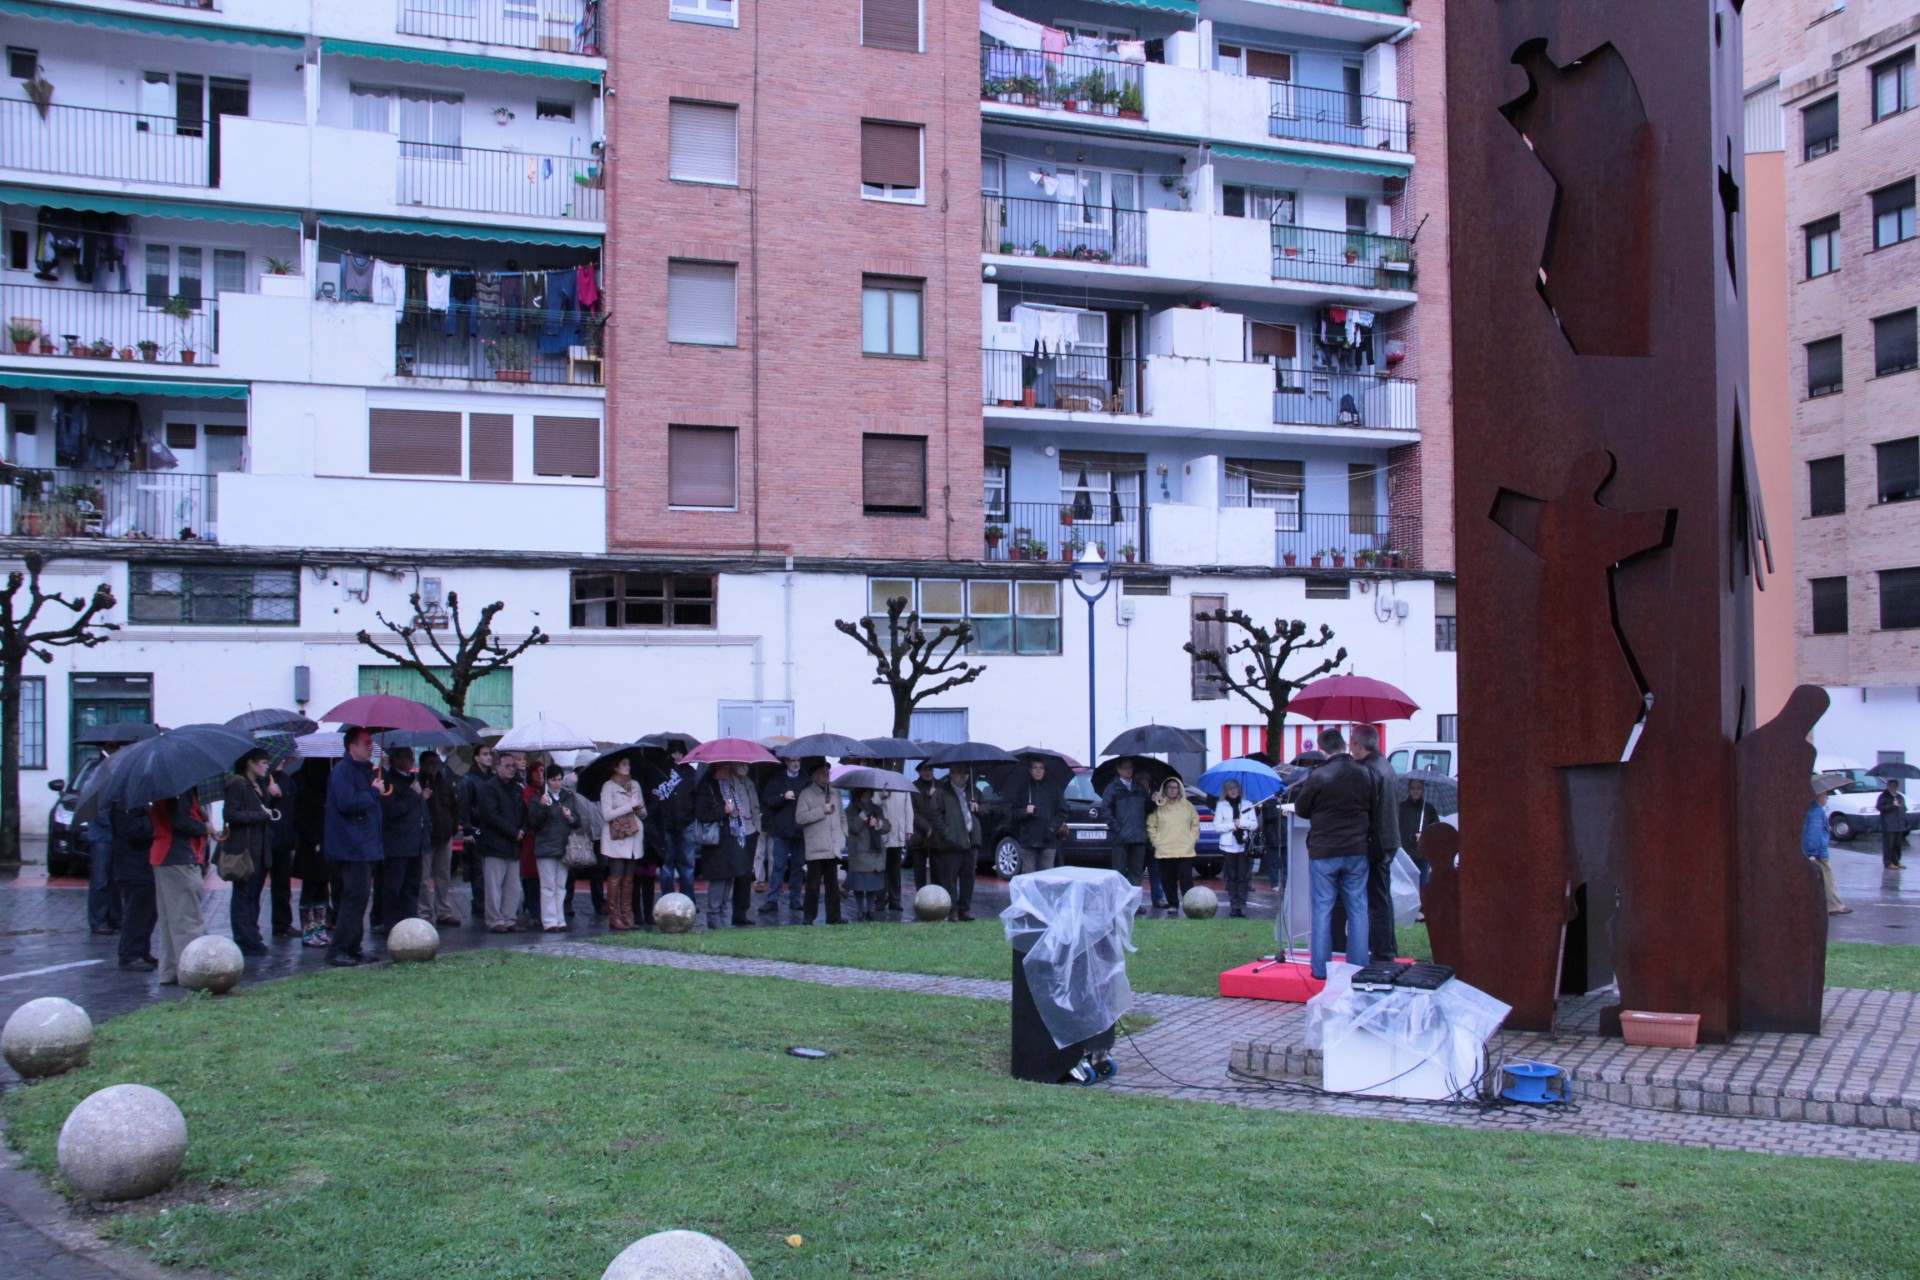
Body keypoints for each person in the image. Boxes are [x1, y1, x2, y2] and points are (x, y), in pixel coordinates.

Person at [1289, 727, 1377, 980]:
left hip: (1324, 850)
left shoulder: (1318, 775)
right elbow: (1374, 806)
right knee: (1358, 909)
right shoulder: (1365, 773)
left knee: (1322, 909)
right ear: (1344, 745)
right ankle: (1358, 966)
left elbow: (1302, 809)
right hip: (1357, 849)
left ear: (1323, 749)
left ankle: (1320, 969)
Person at [324, 727, 385, 967]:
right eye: (366, 743)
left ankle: (353, 947)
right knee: (354, 898)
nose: (371, 746)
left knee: (359, 898)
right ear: (352, 747)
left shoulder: (362, 771)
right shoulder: (343, 771)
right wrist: (373, 792)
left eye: (371, 742)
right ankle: (338, 949)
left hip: (363, 845)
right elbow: (347, 802)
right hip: (351, 847)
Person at [148, 789, 210, 985]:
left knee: (169, 920)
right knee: (187, 921)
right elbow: (181, 822)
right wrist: (204, 827)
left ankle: (169, 971)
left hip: (164, 856)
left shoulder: (168, 787)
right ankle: (191, 973)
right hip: (179, 856)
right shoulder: (180, 790)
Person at [1349, 724, 1400, 962]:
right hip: (1388, 839)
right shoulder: (1385, 765)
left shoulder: (1369, 769)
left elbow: (1363, 807)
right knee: (1383, 897)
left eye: (1351, 743)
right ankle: (1387, 947)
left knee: (1376, 900)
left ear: (1359, 746)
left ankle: (1382, 952)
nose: (1349, 748)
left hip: (1376, 841)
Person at [223, 748, 276, 957]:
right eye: (262, 762)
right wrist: (259, 815)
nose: (266, 766)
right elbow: (230, 814)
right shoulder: (238, 783)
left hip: (259, 847)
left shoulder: (258, 785)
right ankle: (244, 938)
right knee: (243, 894)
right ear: (250, 763)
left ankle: (252, 933)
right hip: (244, 848)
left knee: (254, 893)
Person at [473, 751, 529, 932]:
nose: (511, 769)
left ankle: (509, 919)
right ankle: (495, 920)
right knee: (493, 886)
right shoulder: (488, 788)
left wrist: (523, 830)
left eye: (513, 766)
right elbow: (490, 815)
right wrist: (514, 832)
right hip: (494, 844)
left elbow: (524, 814)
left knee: (512, 886)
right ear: (497, 767)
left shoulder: (517, 789)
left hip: (513, 845)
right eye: (507, 766)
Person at [698, 762, 759, 928]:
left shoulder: (728, 786)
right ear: (716, 770)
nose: (728, 772)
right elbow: (703, 814)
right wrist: (723, 810)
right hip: (716, 842)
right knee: (719, 880)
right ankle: (713, 918)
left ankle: (723, 917)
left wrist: (734, 812)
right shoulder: (707, 788)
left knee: (728, 879)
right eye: (725, 769)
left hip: (731, 838)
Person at [375, 746, 427, 936]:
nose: (411, 760)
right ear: (395, 759)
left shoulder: (412, 779)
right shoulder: (388, 781)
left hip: (415, 843)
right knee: (393, 888)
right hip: (396, 844)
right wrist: (413, 795)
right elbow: (391, 810)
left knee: (412, 887)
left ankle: (410, 923)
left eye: (412, 756)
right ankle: (392, 925)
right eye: (407, 756)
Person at [529, 767, 581, 932]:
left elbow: (577, 820)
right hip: (546, 846)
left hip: (564, 846)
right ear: (546, 781)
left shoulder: (568, 796)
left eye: (559, 779)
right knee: (547, 886)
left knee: (561, 885)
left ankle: (560, 918)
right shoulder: (538, 798)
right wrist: (542, 806)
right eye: (553, 780)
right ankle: (550, 920)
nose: (557, 783)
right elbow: (534, 823)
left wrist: (570, 817)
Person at [796, 761, 848, 925]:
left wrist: (843, 835)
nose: (827, 775)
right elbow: (800, 818)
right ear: (814, 776)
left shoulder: (834, 793)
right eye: (822, 772)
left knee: (832, 885)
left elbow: (842, 817)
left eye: (828, 772)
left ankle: (834, 916)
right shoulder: (806, 794)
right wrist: (821, 811)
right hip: (816, 847)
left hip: (833, 847)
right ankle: (808, 916)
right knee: (813, 885)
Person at [600, 755, 646, 931]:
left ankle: (626, 915)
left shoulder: (635, 785)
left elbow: (643, 814)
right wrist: (628, 806)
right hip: (616, 838)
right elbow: (606, 814)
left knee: (629, 879)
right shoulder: (608, 787)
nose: (628, 767)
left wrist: (640, 807)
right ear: (615, 767)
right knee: (616, 876)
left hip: (634, 836)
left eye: (629, 764)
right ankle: (614, 917)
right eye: (624, 764)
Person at [110, 799, 157, 971]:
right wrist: (155, 821)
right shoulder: (124, 803)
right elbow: (133, 831)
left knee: (148, 912)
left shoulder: (139, 802)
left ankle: (142, 949)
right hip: (132, 867)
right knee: (137, 912)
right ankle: (130, 953)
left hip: (143, 865)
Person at [1102, 759, 1153, 915]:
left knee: (1136, 874)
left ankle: (1134, 904)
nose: (1128, 771)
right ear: (1118, 770)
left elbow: (1148, 809)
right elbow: (1105, 811)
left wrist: (1154, 799)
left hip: (1138, 837)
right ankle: (1118, 904)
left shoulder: (1140, 788)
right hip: (1120, 839)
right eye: (1125, 768)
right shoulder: (1112, 789)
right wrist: (1118, 829)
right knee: (1118, 873)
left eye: (1130, 768)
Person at [930, 767, 981, 921]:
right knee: (950, 877)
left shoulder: (974, 792)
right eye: (959, 773)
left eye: (964, 773)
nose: (962, 776)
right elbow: (934, 814)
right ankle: (952, 909)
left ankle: (965, 908)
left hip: (971, 840)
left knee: (968, 877)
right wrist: (946, 833)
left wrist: (978, 808)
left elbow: (985, 810)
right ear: (951, 774)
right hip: (952, 841)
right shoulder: (942, 792)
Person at [758, 757, 807, 915]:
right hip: (781, 829)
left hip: (800, 829)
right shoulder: (776, 780)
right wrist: (782, 797)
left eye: (798, 760)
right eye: (792, 760)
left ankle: (795, 898)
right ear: (786, 762)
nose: (795, 763)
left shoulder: (805, 781)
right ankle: (773, 899)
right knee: (778, 866)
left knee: (798, 866)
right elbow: (767, 801)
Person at [419, 751, 461, 925]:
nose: (433, 766)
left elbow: (454, 807)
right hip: (426, 837)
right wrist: (421, 798)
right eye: (430, 763)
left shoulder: (445, 784)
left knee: (443, 876)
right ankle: (424, 911)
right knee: (423, 878)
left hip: (444, 836)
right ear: (422, 765)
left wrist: (452, 828)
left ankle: (443, 910)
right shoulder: (417, 783)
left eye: (436, 763)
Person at [652, 743, 699, 898]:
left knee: (686, 866)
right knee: (667, 866)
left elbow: (695, 797)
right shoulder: (662, 771)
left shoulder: (691, 773)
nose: (677, 756)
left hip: (686, 823)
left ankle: (688, 900)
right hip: (667, 824)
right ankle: (669, 900)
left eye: (680, 752)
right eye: (674, 752)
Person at [457, 745, 497, 924]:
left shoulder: (493, 778)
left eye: (490, 754)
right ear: (476, 758)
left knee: (491, 871)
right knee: (478, 871)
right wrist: (467, 829)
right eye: (485, 754)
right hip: (476, 828)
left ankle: (489, 903)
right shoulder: (468, 780)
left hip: (491, 829)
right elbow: (464, 806)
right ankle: (480, 904)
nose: (489, 758)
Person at [1147, 776, 1199, 912]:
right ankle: (1173, 905)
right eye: (1169, 787)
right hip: (1165, 850)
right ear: (1164, 789)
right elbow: (1151, 825)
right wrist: (1156, 842)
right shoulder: (1159, 806)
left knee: (1186, 879)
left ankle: (1190, 905)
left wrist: (1192, 839)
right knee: (1168, 880)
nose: (1172, 790)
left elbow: (1195, 824)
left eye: (1175, 787)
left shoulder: (1188, 806)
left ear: (1179, 789)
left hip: (1185, 850)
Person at [1211, 778, 1259, 918]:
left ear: (1239, 790)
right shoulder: (1221, 805)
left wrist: (1242, 823)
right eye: (1229, 788)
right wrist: (1233, 825)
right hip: (1228, 846)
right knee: (1231, 877)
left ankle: (1242, 905)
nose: (1233, 791)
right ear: (1225, 791)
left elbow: (1254, 824)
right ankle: (1234, 905)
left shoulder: (1247, 804)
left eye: (1235, 788)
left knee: (1242, 877)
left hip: (1243, 845)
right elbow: (1217, 827)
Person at [1008, 758, 1063, 875]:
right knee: (1028, 879)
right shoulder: (1022, 789)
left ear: (1045, 770)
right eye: (1035, 767)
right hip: (1028, 841)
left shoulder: (1054, 789)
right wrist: (1024, 811)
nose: (1038, 771)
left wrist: (1052, 828)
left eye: (1041, 768)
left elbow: (1062, 811)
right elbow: (1012, 813)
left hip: (1048, 841)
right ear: (1030, 770)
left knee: (1047, 878)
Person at [844, 786, 891, 921]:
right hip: (860, 850)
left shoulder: (877, 809)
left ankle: (871, 909)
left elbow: (887, 827)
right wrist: (862, 819)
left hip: (875, 851)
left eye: (868, 792)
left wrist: (878, 822)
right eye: (864, 793)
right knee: (859, 882)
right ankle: (860, 910)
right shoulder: (851, 809)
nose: (867, 795)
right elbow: (852, 828)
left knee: (872, 883)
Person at [265, 761, 300, 938]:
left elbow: (293, 806)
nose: (282, 760)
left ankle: (283, 923)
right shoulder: (261, 780)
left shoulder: (287, 779)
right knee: (255, 887)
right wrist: (270, 796)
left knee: (282, 886)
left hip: (284, 841)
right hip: (266, 841)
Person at [1806, 788, 1851, 915]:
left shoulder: (1812, 809)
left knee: (1823, 878)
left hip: (1816, 851)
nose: (1827, 798)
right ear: (1819, 797)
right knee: (1828, 878)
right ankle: (1835, 905)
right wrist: (1813, 853)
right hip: (1819, 852)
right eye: (1825, 795)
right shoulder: (1817, 811)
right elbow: (1814, 832)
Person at [880, 769, 914, 914]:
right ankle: (880, 899)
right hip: (883, 833)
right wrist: (883, 795)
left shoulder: (903, 785)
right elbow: (875, 803)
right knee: (881, 869)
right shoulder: (880, 784)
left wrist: (909, 828)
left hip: (898, 833)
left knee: (895, 869)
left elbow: (908, 808)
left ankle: (895, 899)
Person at [1399, 778, 1441, 890]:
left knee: (1421, 887)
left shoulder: (1429, 809)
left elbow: (1436, 830)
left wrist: (1425, 835)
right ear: (1408, 789)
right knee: (1406, 887)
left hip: (1422, 854)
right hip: (1405, 854)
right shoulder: (1401, 808)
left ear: (1423, 790)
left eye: (1418, 788)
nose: (1415, 791)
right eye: (1413, 788)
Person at [908, 761, 940, 895]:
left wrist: (935, 796)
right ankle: (921, 898)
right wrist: (925, 827)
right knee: (919, 872)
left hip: (937, 835)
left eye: (930, 769)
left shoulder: (939, 786)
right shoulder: (913, 787)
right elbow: (912, 812)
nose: (928, 773)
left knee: (938, 871)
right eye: (925, 770)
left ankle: (937, 898)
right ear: (919, 771)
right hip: (919, 836)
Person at [1877, 779, 1908, 871]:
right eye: (1890, 786)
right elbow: (1880, 807)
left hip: (1899, 824)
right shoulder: (1883, 796)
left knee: (1897, 844)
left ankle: (1896, 861)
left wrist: (1905, 821)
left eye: (1894, 786)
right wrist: (1892, 805)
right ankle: (1888, 862)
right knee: (1889, 845)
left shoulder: (1900, 797)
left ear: (1897, 787)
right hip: (1888, 825)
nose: (1892, 787)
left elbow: (1903, 808)